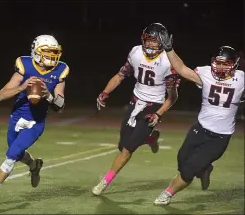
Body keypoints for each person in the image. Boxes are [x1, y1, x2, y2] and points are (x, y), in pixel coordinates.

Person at [154, 30, 245, 205]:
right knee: (182, 160)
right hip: (200, 129)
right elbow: (181, 68)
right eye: (218, 63)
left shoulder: (241, 79)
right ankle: (205, 169)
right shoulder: (205, 73)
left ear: (235, 65)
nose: (220, 67)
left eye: (226, 64)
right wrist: (169, 49)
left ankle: (168, 193)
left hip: (220, 137)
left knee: (188, 171)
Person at [0, 35, 69, 204]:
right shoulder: (24, 65)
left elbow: (60, 106)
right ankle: (34, 165)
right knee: (16, 152)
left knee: (12, 154)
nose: (52, 57)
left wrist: (49, 97)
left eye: (54, 53)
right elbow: (1, 95)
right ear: (36, 53)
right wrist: (22, 86)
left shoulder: (60, 70)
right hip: (17, 118)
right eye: (47, 53)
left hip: (36, 123)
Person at [92, 23, 180, 196]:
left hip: (153, 106)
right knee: (122, 145)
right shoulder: (136, 52)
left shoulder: (169, 62)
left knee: (128, 149)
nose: (150, 45)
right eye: (148, 41)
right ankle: (150, 138)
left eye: (155, 42)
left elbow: (173, 97)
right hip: (134, 102)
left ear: (163, 42)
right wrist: (104, 92)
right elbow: (120, 75)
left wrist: (158, 113)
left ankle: (105, 182)